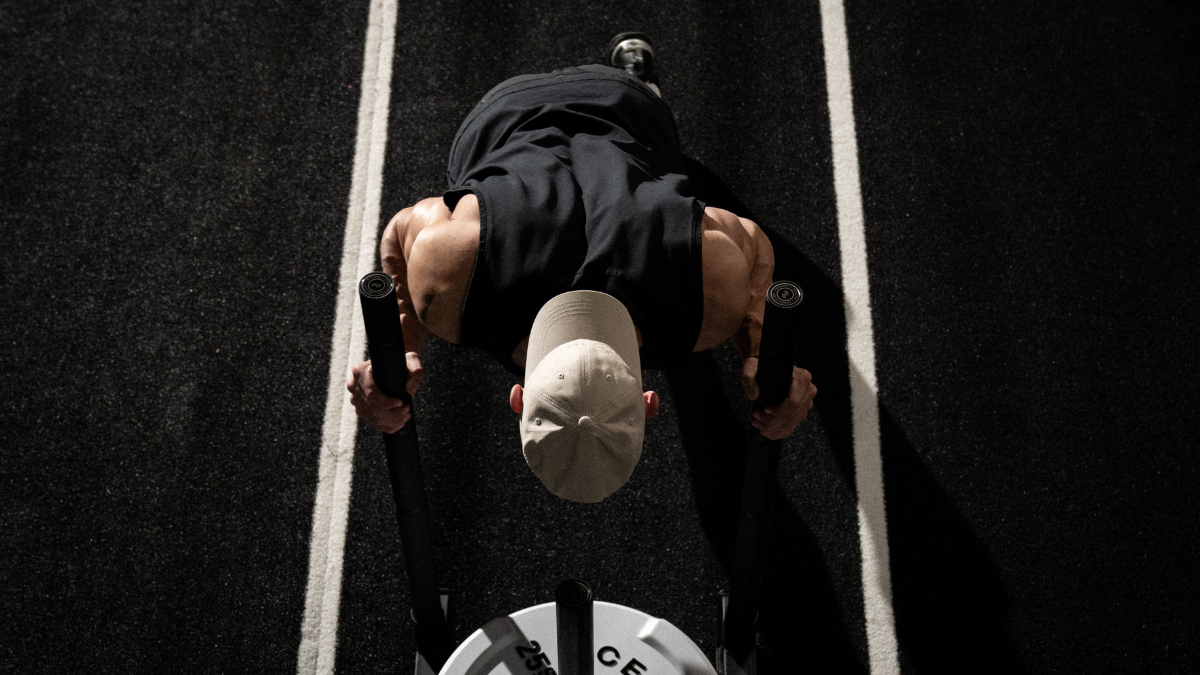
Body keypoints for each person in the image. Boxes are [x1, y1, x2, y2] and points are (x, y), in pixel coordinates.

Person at [348, 34, 817, 501]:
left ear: (649, 404)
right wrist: (404, 337)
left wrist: (757, 345)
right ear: (517, 403)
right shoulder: (450, 291)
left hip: (608, 106)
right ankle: (637, 85)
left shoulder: (708, 295)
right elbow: (404, 229)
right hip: (505, 108)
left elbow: (752, 242)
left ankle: (639, 82)